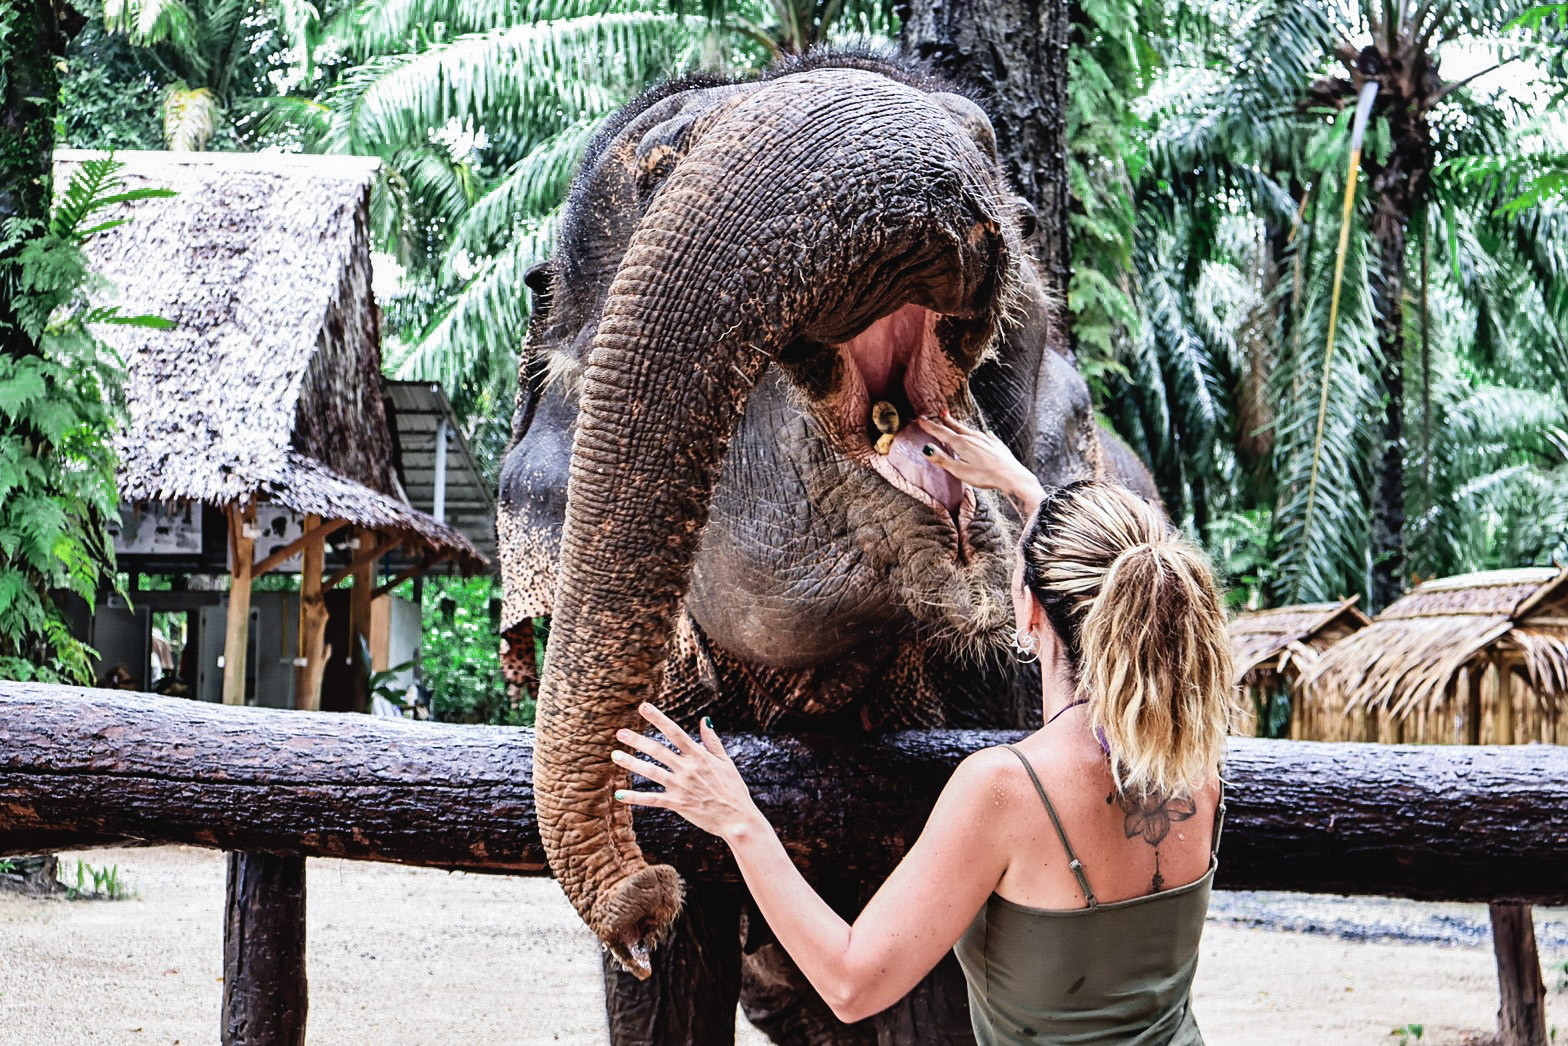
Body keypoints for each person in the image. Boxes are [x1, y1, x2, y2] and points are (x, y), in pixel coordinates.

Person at [612, 411, 1236, 1044]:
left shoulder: (1005, 790)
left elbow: (852, 984)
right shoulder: (1196, 762)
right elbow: (1111, 574)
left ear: (1026, 615)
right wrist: (1021, 487)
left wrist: (738, 818)